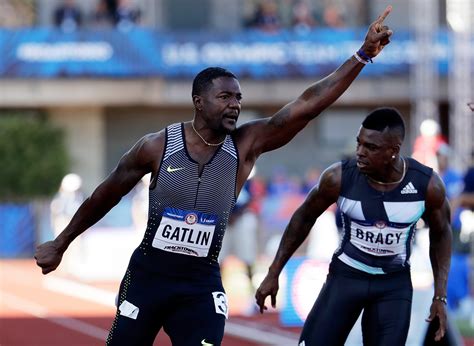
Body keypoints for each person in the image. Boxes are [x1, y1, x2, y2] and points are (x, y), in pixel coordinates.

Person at [34, 7, 393, 346]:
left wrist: (361, 55)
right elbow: (105, 194)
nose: (235, 104)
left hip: (200, 282)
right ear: (199, 101)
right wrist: (62, 242)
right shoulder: (157, 146)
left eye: (238, 97)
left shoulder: (246, 145)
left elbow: (307, 104)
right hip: (148, 277)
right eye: (224, 97)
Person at [255, 107, 452, 345]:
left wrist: (440, 296)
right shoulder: (338, 178)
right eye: (359, 143)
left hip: (392, 286)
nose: (359, 152)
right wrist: (274, 272)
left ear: (393, 151)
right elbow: (303, 217)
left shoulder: (427, 185)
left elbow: (442, 235)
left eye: (371, 147)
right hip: (346, 278)